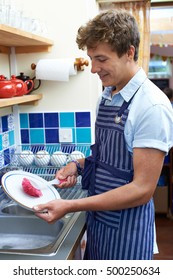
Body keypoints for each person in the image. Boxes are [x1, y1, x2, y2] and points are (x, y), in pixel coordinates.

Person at [33, 9, 173, 260]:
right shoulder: (107, 96)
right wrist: (77, 165)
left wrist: (70, 205)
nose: (93, 68)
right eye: (91, 58)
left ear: (129, 52)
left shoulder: (152, 107)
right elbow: (108, 158)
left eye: (101, 59)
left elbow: (142, 189)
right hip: (99, 224)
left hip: (128, 232)